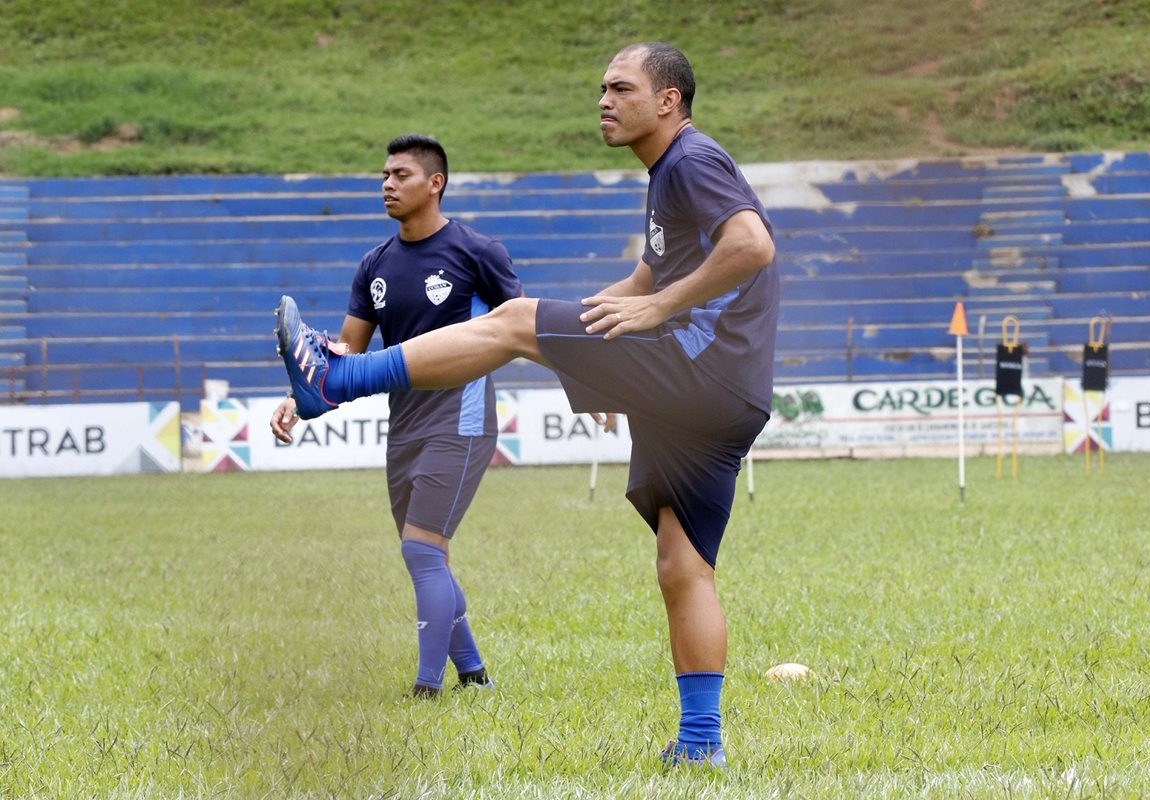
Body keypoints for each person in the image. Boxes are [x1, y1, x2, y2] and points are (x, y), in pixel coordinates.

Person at [274, 43, 777, 767]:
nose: (603, 99)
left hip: (698, 369)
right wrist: (610, 338)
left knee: (512, 323)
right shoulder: (671, 175)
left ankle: (333, 384)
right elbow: (652, 271)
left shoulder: (691, 160)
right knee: (682, 565)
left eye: (620, 88)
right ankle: (701, 745)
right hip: (725, 395)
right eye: (600, 87)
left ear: (668, 101)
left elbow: (752, 245)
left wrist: (653, 311)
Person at [270, 134, 523, 697]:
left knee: (421, 549)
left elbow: (521, 327)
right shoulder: (374, 264)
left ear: (435, 183)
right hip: (404, 421)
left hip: (462, 413)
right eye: (384, 175)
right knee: (427, 552)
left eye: (401, 174)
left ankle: (426, 688)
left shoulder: (479, 252)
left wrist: (589, 382)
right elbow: (346, 353)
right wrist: (295, 396)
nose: (387, 184)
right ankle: (474, 675)